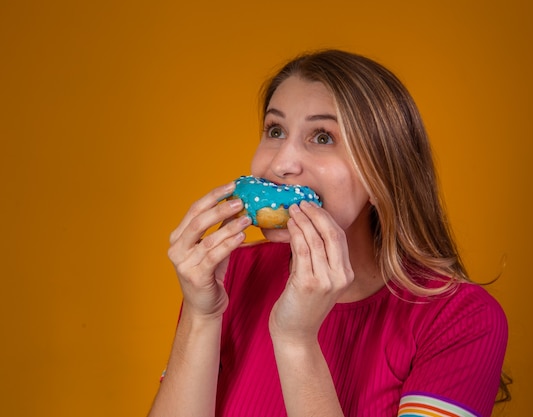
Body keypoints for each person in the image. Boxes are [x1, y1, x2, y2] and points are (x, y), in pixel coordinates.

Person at [148, 49, 509, 417]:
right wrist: (201, 315)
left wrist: (297, 342)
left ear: (383, 171)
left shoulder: (462, 320)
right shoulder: (233, 275)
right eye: (276, 130)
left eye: (322, 137)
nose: (280, 164)